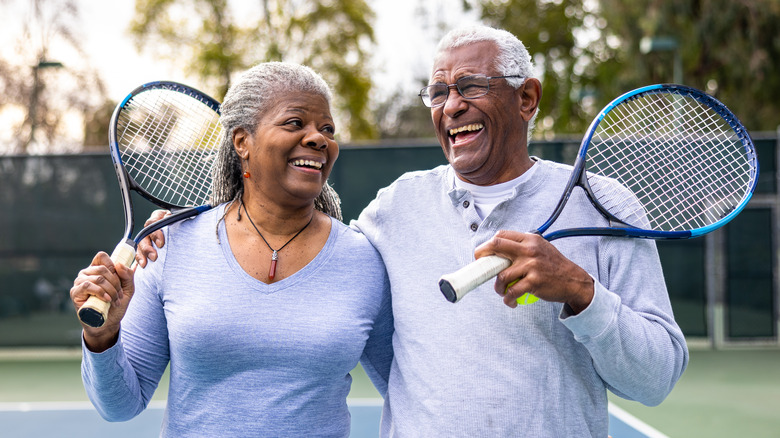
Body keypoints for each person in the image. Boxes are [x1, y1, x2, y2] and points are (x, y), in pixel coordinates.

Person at [139, 26, 689, 437]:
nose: (452, 106)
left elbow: (656, 378)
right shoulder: (394, 210)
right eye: (439, 92)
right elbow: (298, 239)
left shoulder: (605, 204)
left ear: (526, 99)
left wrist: (579, 291)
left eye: (471, 86)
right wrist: (189, 227)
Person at [69, 62, 394, 437]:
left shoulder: (362, 260)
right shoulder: (169, 245)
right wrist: (102, 336)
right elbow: (119, 406)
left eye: (327, 129)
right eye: (294, 123)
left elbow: (410, 395)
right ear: (242, 142)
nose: (319, 138)